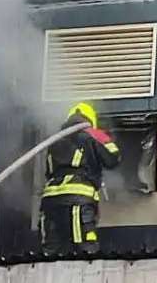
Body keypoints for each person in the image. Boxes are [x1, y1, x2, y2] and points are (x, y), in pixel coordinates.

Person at [39, 102, 121, 254]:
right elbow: (113, 158)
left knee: (52, 250)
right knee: (85, 249)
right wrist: (102, 137)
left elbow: (49, 171)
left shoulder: (55, 140)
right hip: (78, 199)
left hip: (50, 200)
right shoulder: (91, 133)